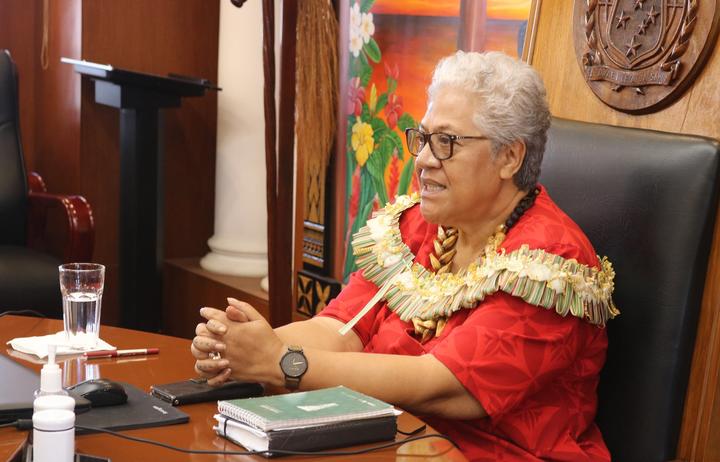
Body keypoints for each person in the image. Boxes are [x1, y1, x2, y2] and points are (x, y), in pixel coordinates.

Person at [191, 51, 618, 461]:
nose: (424, 160)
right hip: (385, 438)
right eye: (424, 138)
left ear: (509, 157)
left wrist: (282, 363)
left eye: (447, 142)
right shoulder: (419, 222)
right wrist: (246, 347)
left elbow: (438, 385)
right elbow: (344, 327)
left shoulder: (550, 263)